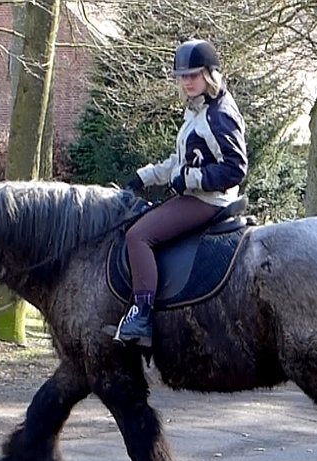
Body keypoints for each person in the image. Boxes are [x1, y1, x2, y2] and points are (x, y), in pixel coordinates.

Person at [114, 39, 248, 347]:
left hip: (210, 200)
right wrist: (143, 177)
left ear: (209, 74)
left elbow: (235, 168)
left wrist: (190, 180)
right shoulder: (198, 111)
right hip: (196, 195)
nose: (187, 81)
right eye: (183, 76)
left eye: (194, 75)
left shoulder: (219, 115)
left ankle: (141, 315)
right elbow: (181, 161)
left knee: (138, 236)